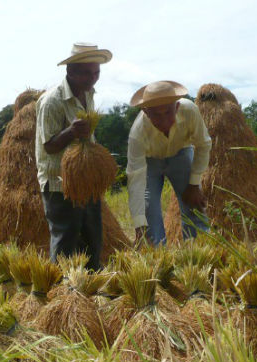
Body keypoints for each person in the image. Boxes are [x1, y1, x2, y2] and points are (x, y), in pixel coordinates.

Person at [35, 43, 112, 270]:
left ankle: (90, 289)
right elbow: (48, 146)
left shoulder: (88, 93)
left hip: (86, 181)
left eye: (96, 72)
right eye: (87, 73)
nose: (93, 78)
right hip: (60, 183)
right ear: (71, 72)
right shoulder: (52, 102)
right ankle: (62, 293)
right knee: (65, 239)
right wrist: (71, 132)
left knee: (92, 236)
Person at [126, 80, 212, 246]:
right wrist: (139, 224)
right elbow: (135, 179)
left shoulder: (189, 111)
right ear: (146, 112)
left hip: (181, 153)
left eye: (168, 113)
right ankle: (158, 255)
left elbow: (203, 144)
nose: (164, 120)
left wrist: (194, 184)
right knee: (148, 207)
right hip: (149, 162)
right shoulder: (137, 134)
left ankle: (198, 251)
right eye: (156, 115)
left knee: (193, 204)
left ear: (177, 107)